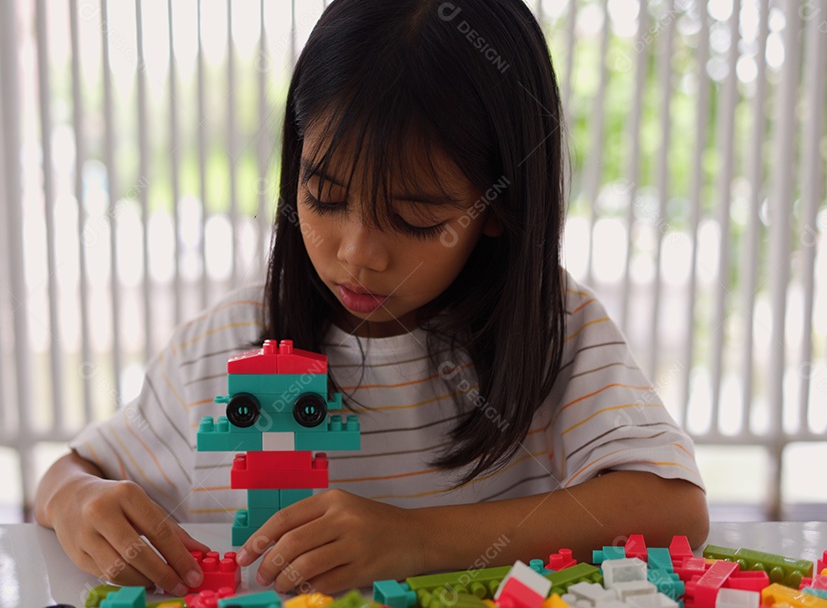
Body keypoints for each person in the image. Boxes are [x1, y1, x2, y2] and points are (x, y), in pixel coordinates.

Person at [35, 0, 709, 597]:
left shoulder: (557, 332)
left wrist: (419, 539)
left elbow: (673, 512)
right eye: (324, 196)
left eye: (415, 216)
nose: (357, 251)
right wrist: (73, 501)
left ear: (499, 206)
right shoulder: (222, 347)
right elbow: (76, 473)